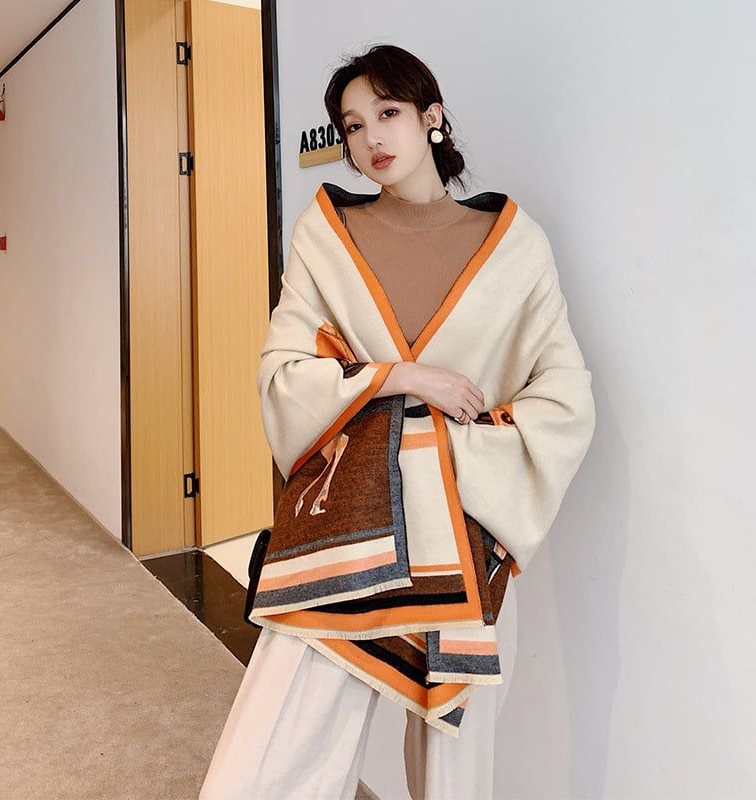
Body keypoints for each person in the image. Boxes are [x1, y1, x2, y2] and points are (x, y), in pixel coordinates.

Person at [199, 43, 594, 800]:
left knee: (455, 771)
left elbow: (564, 396)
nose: (371, 138)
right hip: (350, 526)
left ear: (431, 117)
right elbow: (283, 374)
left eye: (388, 113)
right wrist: (400, 378)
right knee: (265, 763)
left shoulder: (514, 246)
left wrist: (456, 458)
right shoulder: (327, 235)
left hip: (463, 527)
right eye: (353, 125)